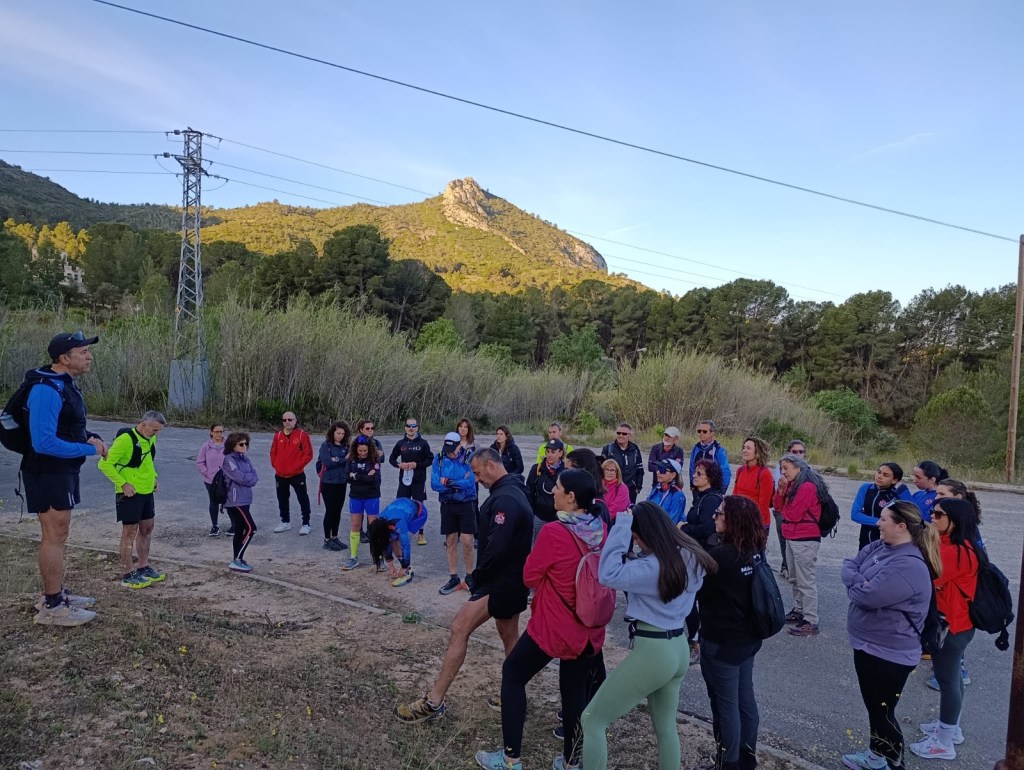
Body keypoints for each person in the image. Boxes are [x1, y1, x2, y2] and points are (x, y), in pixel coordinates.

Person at [475, 469, 609, 770]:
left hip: (555, 626)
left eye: (558, 488)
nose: (553, 492)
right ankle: (571, 763)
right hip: (589, 628)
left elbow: (530, 575)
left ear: (571, 497)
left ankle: (511, 759)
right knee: (574, 692)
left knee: (513, 673)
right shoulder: (600, 529)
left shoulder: (554, 532)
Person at [394, 448, 532, 724]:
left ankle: (434, 702)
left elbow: (496, 548)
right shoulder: (515, 488)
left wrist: (477, 578)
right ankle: (514, 693)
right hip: (513, 580)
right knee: (509, 635)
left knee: (460, 627)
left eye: (478, 473)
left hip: (500, 582)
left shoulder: (506, 498)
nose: (477, 479)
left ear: (491, 465)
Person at [581, 501, 717, 770]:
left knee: (592, 720)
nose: (636, 543)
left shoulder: (653, 567)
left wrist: (621, 528)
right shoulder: (689, 556)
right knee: (666, 728)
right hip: (678, 645)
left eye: (636, 537)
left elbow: (607, 574)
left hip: (654, 651)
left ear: (648, 534)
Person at [841, 501, 940, 770]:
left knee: (883, 714)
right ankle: (875, 758)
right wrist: (859, 582)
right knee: (876, 710)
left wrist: (857, 584)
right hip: (868, 645)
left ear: (901, 526)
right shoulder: (881, 546)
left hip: (888, 654)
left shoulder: (909, 565)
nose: (877, 523)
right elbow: (849, 565)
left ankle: (896, 765)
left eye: (883, 519)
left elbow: (867, 596)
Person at [21, 331, 107, 626]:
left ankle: (54, 594)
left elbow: (66, 428)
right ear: (64, 358)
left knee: (59, 535)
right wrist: (89, 449)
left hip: (61, 470)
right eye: (83, 352)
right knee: (54, 536)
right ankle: (53, 606)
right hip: (47, 471)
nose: (89, 356)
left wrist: (88, 437)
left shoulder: (64, 385)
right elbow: (43, 442)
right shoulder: (46, 389)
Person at [698, 495, 770, 770]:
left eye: (719, 513)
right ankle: (746, 758)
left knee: (725, 706)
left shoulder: (720, 557)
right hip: (748, 638)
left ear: (733, 521)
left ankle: (728, 763)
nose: (714, 516)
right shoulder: (754, 549)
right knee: (744, 700)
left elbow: (697, 590)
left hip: (722, 643)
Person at [909, 498, 982, 761]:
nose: (932, 517)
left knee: (947, 680)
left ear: (955, 521)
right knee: (951, 678)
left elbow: (927, 577)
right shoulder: (953, 545)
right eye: (932, 512)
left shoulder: (955, 552)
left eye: (939, 514)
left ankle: (943, 743)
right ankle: (951, 727)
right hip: (955, 623)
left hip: (952, 626)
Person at [98, 411, 167, 589]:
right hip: (129, 493)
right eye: (154, 430)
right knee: (129, 532)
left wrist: (154, 477)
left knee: (147, 527)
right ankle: (127, 574)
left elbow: (148, 461)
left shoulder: (151, 438)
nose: (156, 434)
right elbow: (104, 464)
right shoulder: (125, 440)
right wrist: (122, 484)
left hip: (146, 490)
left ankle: (143, 567)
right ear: (143, 424)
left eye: (158, 431)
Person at [773, 453, 827, 637]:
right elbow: (777, 507)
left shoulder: (807, 487)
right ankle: (799, 610)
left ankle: (811, 620)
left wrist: (785, 509)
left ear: (798, 468)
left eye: (786, 468)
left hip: (805, 538)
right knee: (795, 578)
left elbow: (793, 514)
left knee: (805, 580)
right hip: (792, 536)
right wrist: (781, 490)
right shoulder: (793, 485)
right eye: (782, 468)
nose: (783, 472)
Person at [432, 431, 478, 594]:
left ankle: (470, 577)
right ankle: (453, 578)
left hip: (466, 503)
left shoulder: (469, 457)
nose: (450, 453)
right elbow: (434, 484)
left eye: (453, 449)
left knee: (467, 541)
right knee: (450, 541)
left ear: (460, 445)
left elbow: (470, 483)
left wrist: (447, 481)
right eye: (448, 449)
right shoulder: (439, 458)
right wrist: (457, 484)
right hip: (447, 504)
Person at [389, 417, 433, 545]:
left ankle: (421, 533)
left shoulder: (423, 443)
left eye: (413, 426)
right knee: (401, 505)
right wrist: (399, 465)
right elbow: (391, 459)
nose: (411, 428)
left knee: (419, 506)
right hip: (404, 481)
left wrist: (417, 465)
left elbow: (430, 459)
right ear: (405, 428)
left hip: (418, 480)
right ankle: (399, 532)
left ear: (417, 428)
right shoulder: (400, 443)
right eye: (408, 426)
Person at [850, 463, 915, 551]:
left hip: (888, 541)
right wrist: (880, 522)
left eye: (885, 475)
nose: (879, 476)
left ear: (894, 480)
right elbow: (855, 515)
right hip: (865, 538)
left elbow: (914, 515)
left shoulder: (897, 494)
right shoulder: (866, 488)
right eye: (879, 472)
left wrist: (903, 491)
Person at [368, 498, 429, 587]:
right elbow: (384, 542)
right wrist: (391, 566)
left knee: (398, 541)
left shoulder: (399, 524)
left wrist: (404, 566)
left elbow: (405, 545)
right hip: (403, 506)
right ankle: (404, 567)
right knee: (391, 538)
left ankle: (407, 571)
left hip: (420, 514)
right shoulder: (380, 521)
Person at [342, 435, 382, 570]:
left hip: (372, 496)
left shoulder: (374, 460)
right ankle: (353, 557)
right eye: (360, 451)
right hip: (355, 496)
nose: (363, 453)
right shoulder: (351, 459)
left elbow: (373, 479)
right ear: (355, 449)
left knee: (374, 528)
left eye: (365, 450)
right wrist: (363, 476)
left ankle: (378, 558)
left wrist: (356, 476)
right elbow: (347, 476)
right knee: (355, 525)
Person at [270, 411, 314, 535]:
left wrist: (296, 466)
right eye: (284, 420)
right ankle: (285, 522)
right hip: (280, 474)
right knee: (282, 498)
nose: (287, 422)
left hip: (297, 474)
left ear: (295, 421)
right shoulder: (278, 435)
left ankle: (306, 523)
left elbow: (308, 454)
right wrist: (276, 465)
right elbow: (273, 452)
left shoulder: (302, 435)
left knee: (302, 498)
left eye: (290, 419)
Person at [221, 431, 259, 573]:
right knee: (251, 528)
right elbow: (240, 477)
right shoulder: (229, 460)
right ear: (233, 445)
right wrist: (248, 478)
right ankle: (236, 559)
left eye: (246, 443)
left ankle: (238, 559)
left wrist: (248, 478)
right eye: (241, 444)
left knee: (240, 529)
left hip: (245, 498)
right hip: (235, 500)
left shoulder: (245, 459)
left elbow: (255, 476)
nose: (245, 446)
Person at [772, 440, 806, 581]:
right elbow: (779, 490)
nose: (798, 454)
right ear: (788, 452)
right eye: (794, 451)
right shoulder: (781, 468)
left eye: (801, 452)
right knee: (784, 540)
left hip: (799, 512)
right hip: (782, 509)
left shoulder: (808, 471)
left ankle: (793, 567)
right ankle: (786, 566)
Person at [318, 421, 350, 552]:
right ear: (332, 432)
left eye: (343, 433)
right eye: (338, 433)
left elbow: (349, 461)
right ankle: (327, 539)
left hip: (341, 482)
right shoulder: (326, 446)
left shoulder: (346, 446)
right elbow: (328, 463)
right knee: (330, 510)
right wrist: (343, 459)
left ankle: (334, 537)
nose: (340, 436)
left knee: (338, 511)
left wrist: (337, 459)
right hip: (328, 482)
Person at [527, 438, 566, 539]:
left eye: (553, 452)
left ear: (560, 453)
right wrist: (531, 512)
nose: (549, 455)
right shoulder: (537, 469)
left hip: (557, 518)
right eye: (548, 451)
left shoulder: (566, 472)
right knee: (537, 543)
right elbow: (529, 492)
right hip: (539, 516)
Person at [732, 437, 774, 531]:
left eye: (748, 448)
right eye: (744, 447)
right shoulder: (740, 470)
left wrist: (752, 524)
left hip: (756, 523)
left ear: (758, 453)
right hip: (739, 521)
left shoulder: (764, 473)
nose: (744, 450)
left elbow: (763, 506)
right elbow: (734, 496)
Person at [566, 447, 612, 527]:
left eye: (567, 471)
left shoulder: (596, 507)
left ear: (583, 472)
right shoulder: (582, 498)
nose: (563, 475)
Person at [196, 423, 227, 536]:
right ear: (211, 432)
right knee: (213, 502)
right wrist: (207, 473)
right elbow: (199, 462)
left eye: (221, 431)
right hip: (211, 480)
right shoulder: (206, 446)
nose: (219, 434)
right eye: (216, 431)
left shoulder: (228, 445)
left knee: (229, 501)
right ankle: (215, 526)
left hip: (226, 479)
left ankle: (234, 526)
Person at [684, 460, 724, 548]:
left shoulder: (711, 500)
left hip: (702, 548)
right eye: (695, 472)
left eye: (699, 473)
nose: (694, 475)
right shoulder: (701, 496)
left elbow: (706, 530)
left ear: (710, 478)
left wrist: (684, 527)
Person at [602, 422, 645, 503]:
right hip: (612, 489)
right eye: (618, 433)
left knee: (628, 510)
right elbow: (601, 470)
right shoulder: (608, 449)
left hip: (630, 489)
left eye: (624, 434)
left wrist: (638, 487)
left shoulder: (635, 449)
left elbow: (640, 469)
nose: (620, 435)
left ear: (630, 435)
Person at [689, 419, 731, 494]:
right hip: (698, 489)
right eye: (699, 431)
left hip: (713, 490)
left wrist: (722, 490)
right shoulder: (696, 448)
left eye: (704, 431)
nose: (701, 433)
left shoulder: (719, 450)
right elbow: (692, 468)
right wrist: (692, 484)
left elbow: (725, 471)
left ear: (712, 433)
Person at [646, 458, 687, 526]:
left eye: (662, 470)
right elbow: (646, 506)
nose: (658, 472)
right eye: (658, 469)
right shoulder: (657, 488)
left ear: (673, 475)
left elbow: (672, 522)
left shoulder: (678, 495)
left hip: (665, 530)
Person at [600, 459, 631, 523]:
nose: (609, 473)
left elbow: (616, 509)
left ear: (617, 472)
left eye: (612, 470)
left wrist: (599, 519)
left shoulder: (622, 488)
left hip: (613, 523)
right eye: (606, 469)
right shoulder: (598, 485)